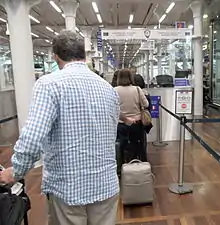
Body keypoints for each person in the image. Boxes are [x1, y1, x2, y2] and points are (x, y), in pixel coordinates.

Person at [0, 30, 122, 225]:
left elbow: (32, 137)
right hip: (106, 184)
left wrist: (16, 171)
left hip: (68, 187)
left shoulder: (49, 84)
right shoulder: (107, 88)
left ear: (55, 56)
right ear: (83, 54)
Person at [114, 69, 149, 166]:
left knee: (121, 145)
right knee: (137, 145)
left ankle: (122, 166)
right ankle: (137, 166)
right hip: (136, 123)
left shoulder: (114, 90)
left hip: (121, 123)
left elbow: (112, 107)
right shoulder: (137, 89)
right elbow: (146, 104)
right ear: (131, 77)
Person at [134, 74, 153, 161]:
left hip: (133, 120)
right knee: (142, 140)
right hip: (143, 120)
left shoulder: (133, 92)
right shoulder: (146, 93)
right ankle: (143, 160)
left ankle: (132, 159)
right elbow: (149, 107)